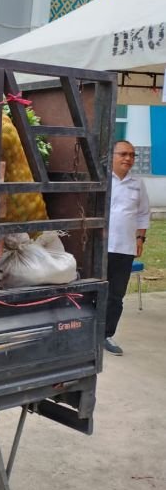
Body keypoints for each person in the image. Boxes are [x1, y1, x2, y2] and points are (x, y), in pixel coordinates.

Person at [105, 140, 150, 355]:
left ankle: (106, 335)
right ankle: (87, 334)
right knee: (92, 292)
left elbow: (143, 213)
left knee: (116, 296)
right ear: (112, 155)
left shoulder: (137, 184)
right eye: (123, 154)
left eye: (132, 155)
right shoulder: (103, 181)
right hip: (101, 247)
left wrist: (140, 239)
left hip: (125, 248)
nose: (128, 159)